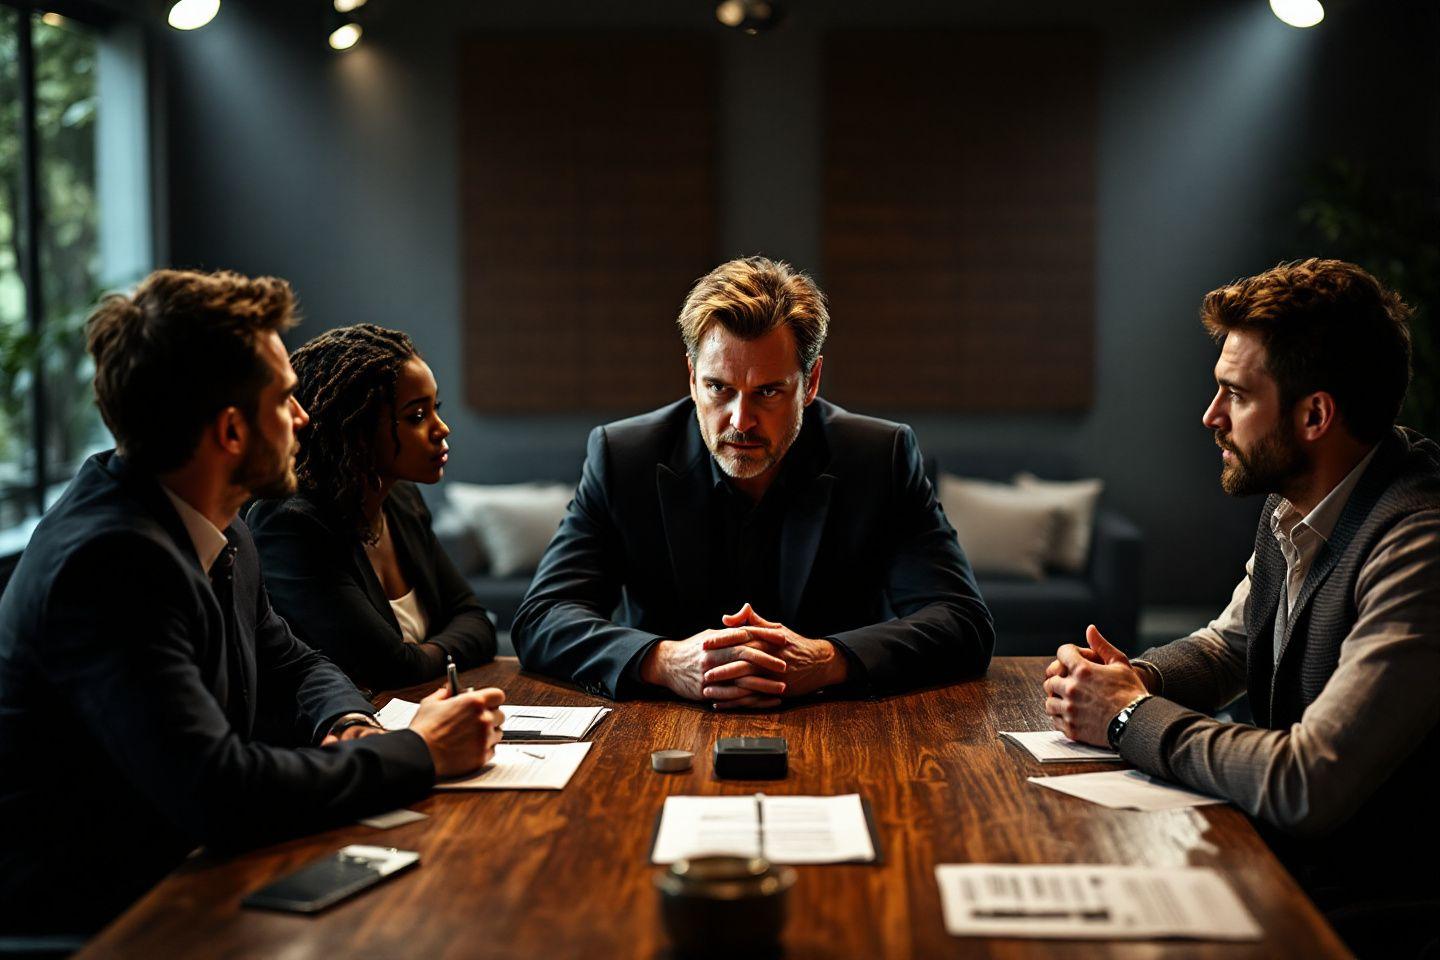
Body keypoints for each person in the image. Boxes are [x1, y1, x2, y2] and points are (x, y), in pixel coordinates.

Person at [0, 270, 505, 940]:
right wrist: (420, 752)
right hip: (109, 920)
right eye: (288, 399)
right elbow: (219, 792)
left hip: (193, 870)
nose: (304, 419)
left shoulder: (217, 518)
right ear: (232, 432)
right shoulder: (111, 564)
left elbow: (292, 659)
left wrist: (351, 719)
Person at [1040, 259, 1439, 956]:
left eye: (1235, 395)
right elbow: (1228, 647)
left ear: (1314, 414)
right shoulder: (1297, 503)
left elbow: (1308, 783)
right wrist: (1125, 678)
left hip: (1371, 910)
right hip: (1290, 866)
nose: (1211, 416)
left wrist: (1128, 716)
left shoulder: (1420, 545)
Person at [512, 256, 993, 706]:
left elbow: (963, 623)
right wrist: (664, 661)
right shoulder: (623, 457)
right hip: (659, 731)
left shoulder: (878, 458)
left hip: (840, 725)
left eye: (767, 392)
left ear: (812, 382)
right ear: (690, 376)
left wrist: (826, 661)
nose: (740, 421)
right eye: (718, 388)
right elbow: (542, 618)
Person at [248, 324, 496, 691]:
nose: (441, 428)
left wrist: (423, 656)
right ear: (358, 431)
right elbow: (389, 667)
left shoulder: (401, 499)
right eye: (416, 416)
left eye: (435, 409)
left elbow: (477, 620)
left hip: (426, 710)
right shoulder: (291, 525)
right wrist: (441, 653)